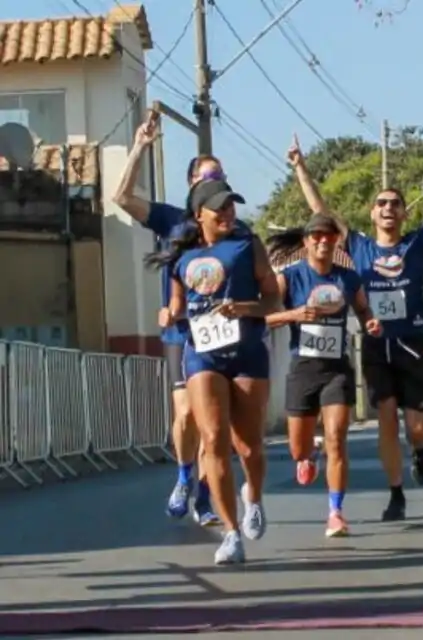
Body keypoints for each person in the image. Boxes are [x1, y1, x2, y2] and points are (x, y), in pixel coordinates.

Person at [287, 134, 423, 521]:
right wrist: (299, 166)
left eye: (395, 204)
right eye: (381, 203)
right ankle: (396, 494)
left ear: (404, 213)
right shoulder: (358, 246)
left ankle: (421, 450)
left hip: (411, 343)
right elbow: (321, 211)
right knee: (385, 418)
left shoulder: (416, 243)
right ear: (371, 212)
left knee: (415, 427)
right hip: (376, 345)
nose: (388, 208)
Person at [147, 179, 279, 565]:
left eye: (230, 206)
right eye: (218, 207)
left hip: (247, 352)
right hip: (202, 353)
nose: (227, 213)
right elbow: (177, 304)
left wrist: (246, 308)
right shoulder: (179, 255)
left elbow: (272, 297)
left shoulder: (247, 244)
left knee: (249, 445)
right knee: (213, 438)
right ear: (198, 214)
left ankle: (252, 495)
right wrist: (170, 313)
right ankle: (231, 532)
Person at [113, 111, 221, 526]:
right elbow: (122, 198)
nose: (214, 183)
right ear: (193, 182)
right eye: (207, 176)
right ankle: (184, 477)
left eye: (220, 177)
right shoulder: (172, 220)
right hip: (180, 331)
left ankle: (208, 497)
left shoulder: (231, 226)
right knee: (187, 417)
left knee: (213, 423)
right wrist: (140, 145)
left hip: (219, 334)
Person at [265, 214, 383, 537]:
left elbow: (363, 310)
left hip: (336, 369)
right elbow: (262, 318)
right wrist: (293, 314)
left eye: (328, 237)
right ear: (305, 243)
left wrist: (371, 322)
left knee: (337, 439)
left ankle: (335, 512)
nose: (322, 241)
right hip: (303, 368)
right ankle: (308, 454)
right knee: (297, 449)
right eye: (315, 236)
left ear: (335, 242)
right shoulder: (289, 278)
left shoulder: (348, 278)